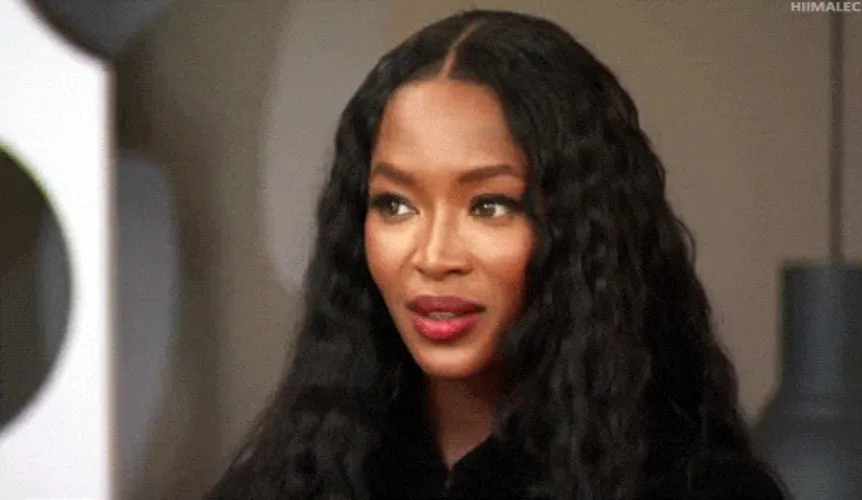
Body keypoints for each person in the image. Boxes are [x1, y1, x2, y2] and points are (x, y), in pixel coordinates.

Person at [206, 9, 786, 500]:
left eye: (489, 206)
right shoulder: (293, 479)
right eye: (396, 204)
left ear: (581, 230)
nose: (435, 256)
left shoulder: (697, 487)